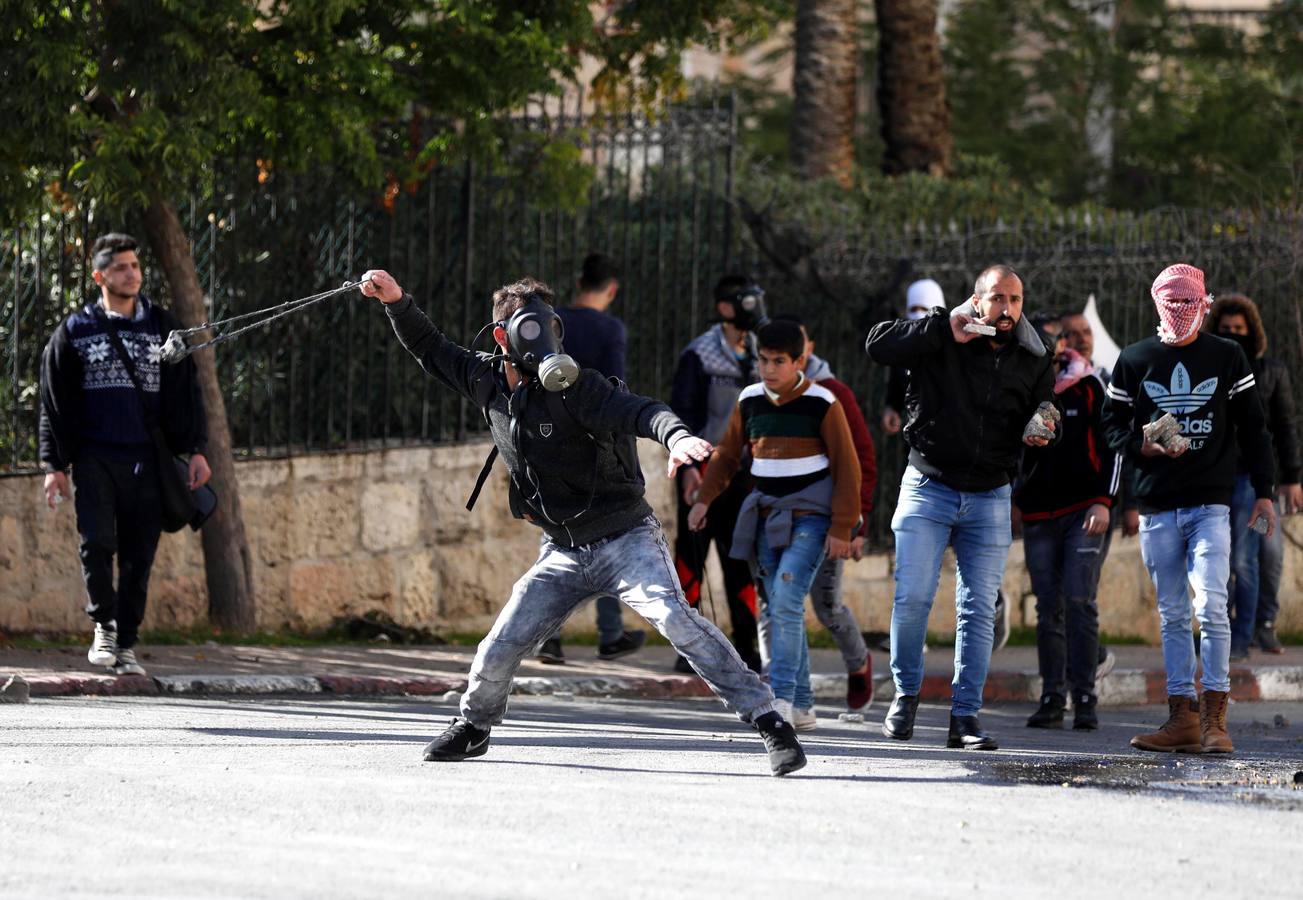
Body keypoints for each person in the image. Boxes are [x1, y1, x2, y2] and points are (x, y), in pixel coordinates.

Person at [362, 269, 807, 776]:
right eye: (529, 328)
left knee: (676, 619)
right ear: (503, 336)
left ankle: (771, 722)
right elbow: (429, 346)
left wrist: (677, 437)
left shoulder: (578, 387)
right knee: (499, 643)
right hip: (563, 549)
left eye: (550, 327)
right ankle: (474, 726)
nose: (544, 340)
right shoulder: (485, 380)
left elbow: (642, 411)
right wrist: (396, 300)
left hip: (626, 537)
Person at [865, 264, 1056, 751]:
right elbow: (878, 345)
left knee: (978, 610)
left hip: (990, 494)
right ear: (976, 300)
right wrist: (941, 325)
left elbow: (1046, 405)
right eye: (997, 298)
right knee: (912, 599)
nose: (1006, 309)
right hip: (928, 484)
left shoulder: (1035, 354)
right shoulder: (942, 333)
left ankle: (965, 717)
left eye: (1015, 300)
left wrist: (1044, 422)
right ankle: (905, 697)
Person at [1102, 264, 1276, 755]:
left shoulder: (1226, 355)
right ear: (1156, 302)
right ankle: (1182, 716)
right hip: (1157, 505)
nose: (1179, 310)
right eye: (1170, 301)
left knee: (1212, 604)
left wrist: (1264, 490)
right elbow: (1110, 423)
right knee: (1173, 612)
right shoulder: (1134, 359)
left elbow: (1254, 427)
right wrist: (1143, 445)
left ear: (1204, 301)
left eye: (1188, 301)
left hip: (1209, 504)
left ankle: (1215, 719)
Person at [38, 233, 210, 678]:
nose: (131, 274)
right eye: (120, 268)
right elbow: (52, 402)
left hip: (147, 461)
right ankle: (104, 625)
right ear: (99, 276)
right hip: (94, 457)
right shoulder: (75, 331)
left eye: (135, 266)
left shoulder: (161, 326)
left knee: (139, 556)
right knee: (96, 543)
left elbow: (188, 392)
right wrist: (53, 466)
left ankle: (127, 642)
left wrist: (195, 450)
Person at [688, 319, 860, 732]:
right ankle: (802, 706)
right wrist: (704, 500)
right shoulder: (748, 400)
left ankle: (779, 699)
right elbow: (727, 455)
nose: (769, 369)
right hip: (766, 519)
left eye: (779, 361)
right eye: (763, 360)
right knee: (780, 606)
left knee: (783, 600)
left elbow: (848, 468)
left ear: (800, 360)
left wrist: (842, 528)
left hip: (812, 521)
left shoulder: (823, 403)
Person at [534, 252, 645, 665]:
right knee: (607, 533)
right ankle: (605, 633)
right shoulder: (609, 328)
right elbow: (615, 386)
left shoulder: (552, 321)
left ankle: (552, 635)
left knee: (559, 532)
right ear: (611, 289)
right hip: (595, 443)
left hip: (551, 436)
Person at [772, 312, 879, 711]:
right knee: (781, 602)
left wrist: (855, 521)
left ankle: (859, 662)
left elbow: (861, 460)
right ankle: (793, 696)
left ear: (806, 352)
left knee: (826, 605)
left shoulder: (834, 392)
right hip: (778, 519)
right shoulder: (766, 392)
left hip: (827, 518)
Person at [1017, 329, 1121, 731]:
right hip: (1038, 516)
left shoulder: (1091, 385)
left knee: (1079, 601)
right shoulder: (1026, 387)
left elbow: (1113, 446)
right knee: (1048, 609)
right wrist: (1014, 499)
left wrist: (1104, 501)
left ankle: (1085, 697)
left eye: (1059, 341)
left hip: (1084, 512)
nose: (1054, 349)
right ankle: (1051, 696)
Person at [669, 275, 767, 672]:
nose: (754, 309)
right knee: (691, 560)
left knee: (740, 561)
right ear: (725, 308)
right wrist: (690, 471)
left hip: (744, 477)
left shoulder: (763, 353)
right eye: (746, 301)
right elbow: (684, 415)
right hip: (702, 474)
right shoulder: (700, 355)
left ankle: (748, 647)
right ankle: (688, 649)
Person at [1207, 295, 1301, 658]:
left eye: (1239, 330)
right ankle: (1231, 629)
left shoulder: (1271, 371)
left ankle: (1263, 625)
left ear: (1253, 333)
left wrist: (1292, 478)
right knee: (1231, 559)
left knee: (1269, 554)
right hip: (1220, 482)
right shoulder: (1211, 370)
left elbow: (1285, 426)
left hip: (1259, 485)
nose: (1232, 336)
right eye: (1226, 330)